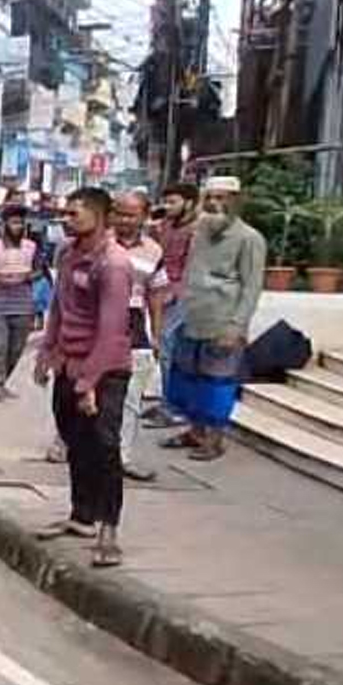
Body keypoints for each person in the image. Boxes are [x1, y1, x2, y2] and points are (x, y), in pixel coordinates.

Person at [31, 188, 136, 568]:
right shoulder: (66, 254)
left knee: (104, 448)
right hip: (69, 363)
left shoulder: (113, 264)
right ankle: (81, 516)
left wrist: (89, 383)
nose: (66, 220)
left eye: (74, 214)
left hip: (105, 370)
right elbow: (58, 308)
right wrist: (47, 351)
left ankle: (109, 529)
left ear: (99, 216)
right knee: (75, 442)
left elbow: (111, 332)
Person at [162, 176, 266, 462]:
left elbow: (251, 287)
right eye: (210, 198)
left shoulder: (250, 239)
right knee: (188, 378)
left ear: (236, 201)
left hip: (223, 321)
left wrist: (236, 326)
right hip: (192, 316)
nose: (215, 204)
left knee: (217, 383)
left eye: (223, 198)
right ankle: (194, 432)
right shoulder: (200, 232)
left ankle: (215, 439)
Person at [112, 191, 171, 481]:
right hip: (96, 325)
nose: (124, 219)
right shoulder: (96, 244)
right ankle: (70, 446)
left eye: (130, 214)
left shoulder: (153, 251)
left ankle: (121, 457)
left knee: (130, 398)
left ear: (144, 217)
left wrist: (156, 335)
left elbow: (156, 295)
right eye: (119, 212)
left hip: (133, 325)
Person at [143, 183, 200, 430]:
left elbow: (193, 267)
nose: (168, 207)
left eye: (173, 202)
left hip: (182, 295)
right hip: (159, 293)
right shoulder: (164, 226)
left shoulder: (197, 229)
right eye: (166, 202)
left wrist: (175, 292)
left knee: (168, 346)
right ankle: (169, 401)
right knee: (165, 350)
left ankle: (174, 407)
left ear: (189, 202)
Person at [0, 204, 43, 402]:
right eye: (14, 222)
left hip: (23, 303)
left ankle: (5, 380)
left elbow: (40, 270)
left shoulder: (31, 247)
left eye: (20, 222)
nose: (18, 226)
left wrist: (26, 277)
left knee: (16, 348)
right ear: (4, 225)